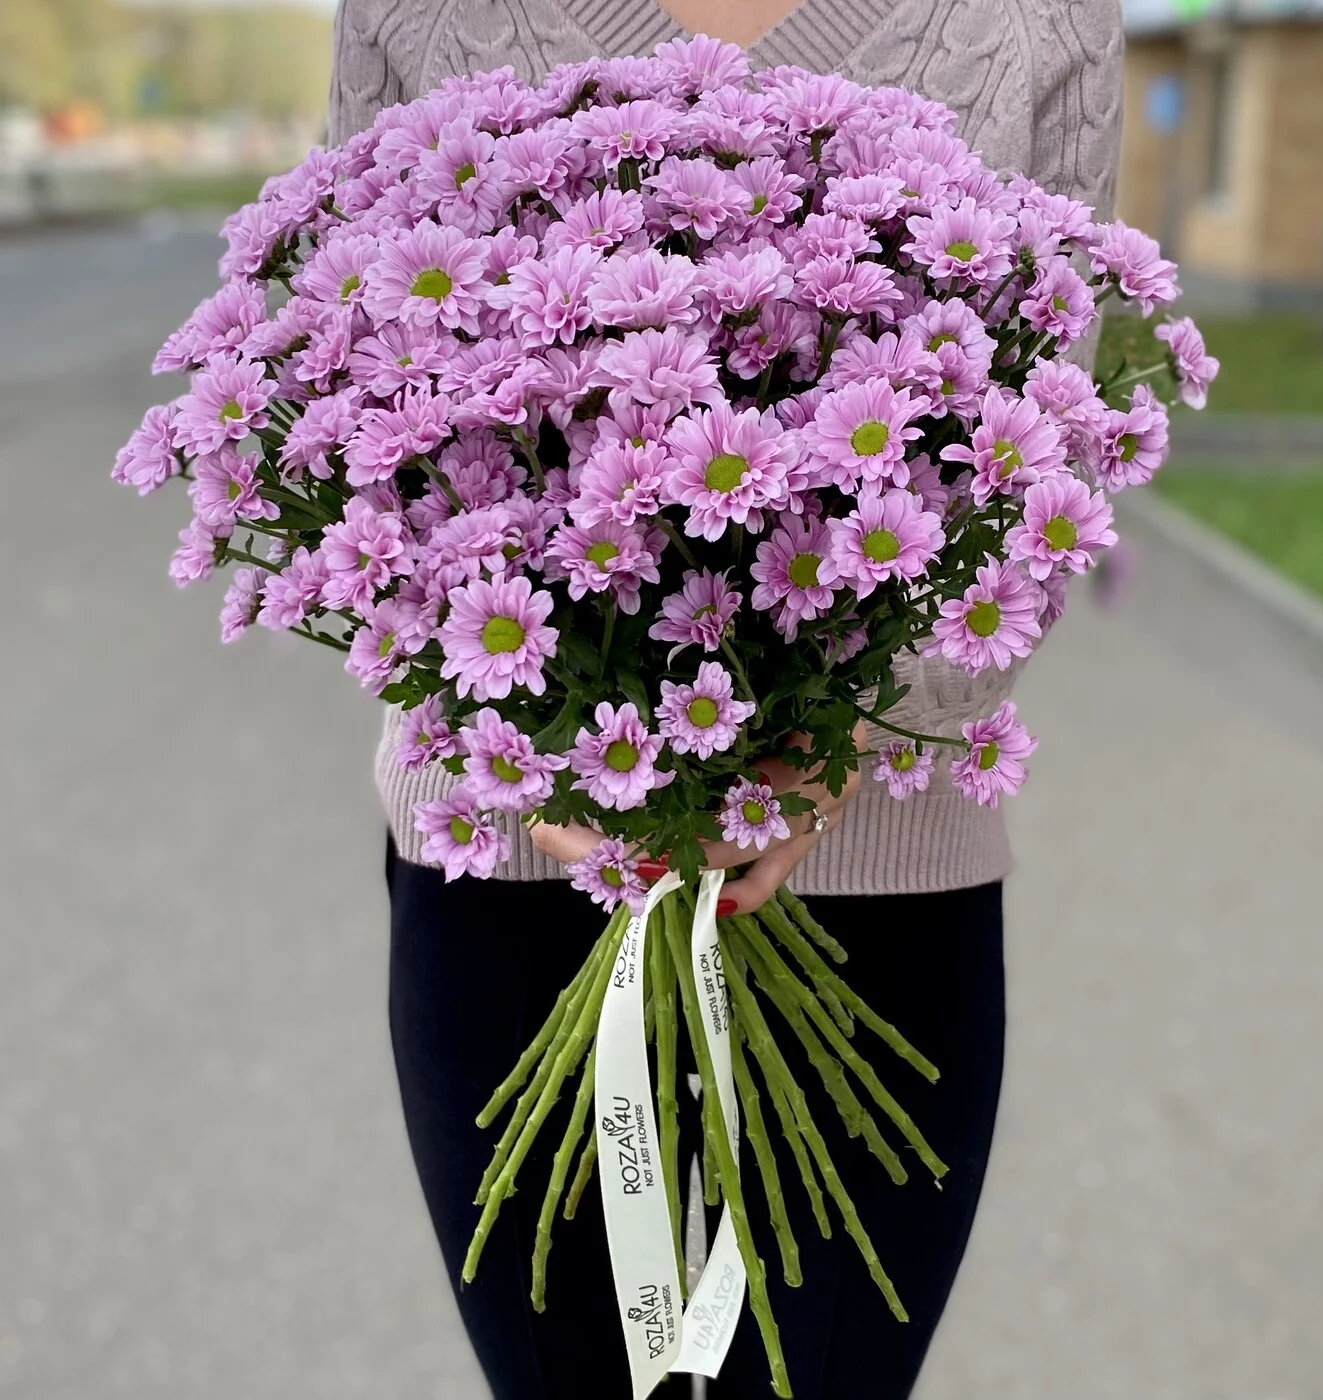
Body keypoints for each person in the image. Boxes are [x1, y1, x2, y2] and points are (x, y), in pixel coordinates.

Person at [330, 3, 1123, 1396]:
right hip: (511, 863)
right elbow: (353, 391)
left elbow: (1055, 436)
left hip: (886, 877)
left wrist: (842, 727)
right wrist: (535, 753)